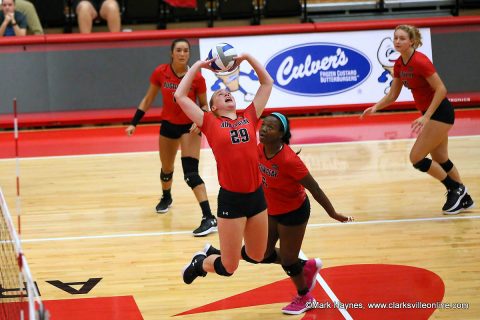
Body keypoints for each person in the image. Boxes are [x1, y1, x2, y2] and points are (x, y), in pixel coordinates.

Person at [204, 113, 354, 315]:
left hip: (294, 212)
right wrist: (206, 122)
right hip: (270, 209)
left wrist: (333, 213)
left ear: (281, 134)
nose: (263, 129)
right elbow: (230, 130)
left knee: (288, 261)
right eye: (263, 125)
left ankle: (305, 297)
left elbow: (315, 189)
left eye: (270, 127)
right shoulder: (258, 150)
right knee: (259, 254)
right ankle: (305, 266)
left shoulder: (290, 160)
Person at [175, 52, 273, 286]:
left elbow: (267, 83)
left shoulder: (249, 116)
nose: (226, 93)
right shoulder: (209, 122)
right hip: (232, 200)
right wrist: (198, 65)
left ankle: (214, 252)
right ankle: (200, 262)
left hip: (257, 195)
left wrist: (248, 58)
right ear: (213, 107)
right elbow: (179, 95)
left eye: (228, 92)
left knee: (258, 255)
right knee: (229, 268)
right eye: (220, 94)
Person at [361, 24, 474, 215]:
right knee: (441, 159)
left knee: (416, 157)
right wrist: (375, 108)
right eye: (395, 38)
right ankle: (465, 197)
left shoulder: (421, 61)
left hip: (440, 113)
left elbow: (441, 89)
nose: (397, 41)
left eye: (402, 38)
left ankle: (455, 189)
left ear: (412, 41)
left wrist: (426, 116)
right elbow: (392, 95)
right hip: (431, 114)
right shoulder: (399, 64)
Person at [126, 39, 217, 237]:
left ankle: (209, 217)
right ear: (172, 53)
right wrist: (134, 122)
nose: (182, 54)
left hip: (190, 127)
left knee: (190, 173)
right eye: (179, 50)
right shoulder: (161, 72)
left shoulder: (197, 78)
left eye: (186, 50)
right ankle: (166, 197)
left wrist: (200, 121)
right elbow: (148, 99)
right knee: (166, 169)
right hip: (168, 126)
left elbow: (204, 105)